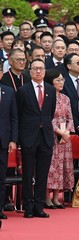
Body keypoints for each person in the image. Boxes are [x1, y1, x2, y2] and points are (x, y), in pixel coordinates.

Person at [17, 59, 56, 218]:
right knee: (27, 173)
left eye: (41, 68)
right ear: (30, 71)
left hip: (45, 136)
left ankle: (39, 206)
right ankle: (28, 206)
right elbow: (19, 115)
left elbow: (50, 113)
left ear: (45, 71)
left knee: (42, 173)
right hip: (28, 136)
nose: (38, 71)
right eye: (35, 69)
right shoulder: (23, 90)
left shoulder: (51, 90)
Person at [44, 69, 75, 209]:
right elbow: (46, 118)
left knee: (61, 167)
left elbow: (70, 117)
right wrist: (58, 131)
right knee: (50, 168)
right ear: (51, 81)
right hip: (51, 136)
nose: (61, 82)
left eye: (62, 79)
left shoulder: (65, 98)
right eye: (58, 80)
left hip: (64, 139)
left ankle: (57, 198)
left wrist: (67, 132)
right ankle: (46, 198)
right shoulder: (46, 96)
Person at [0, 83, 18, 220]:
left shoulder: (9, 91)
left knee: (1, 177)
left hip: (3, 140)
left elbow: (13, 117)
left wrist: (13, 139)